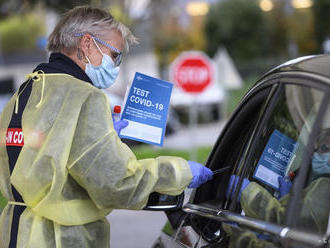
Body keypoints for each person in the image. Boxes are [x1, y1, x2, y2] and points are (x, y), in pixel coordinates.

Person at [0, 6, 213, 248]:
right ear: (88, 44)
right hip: (61, 239)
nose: (116, 65)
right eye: (115, 55)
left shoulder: (25, 92)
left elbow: (44, 157)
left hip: (15, 233)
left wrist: (101, 140)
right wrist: (180, 171)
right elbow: (116, 184)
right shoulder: (85, 97)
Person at [224, 128, 330, 248]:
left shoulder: (326, 187)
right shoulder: (315, 182)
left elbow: (290, 224)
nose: (316, 154)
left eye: (324, 149)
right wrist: (288, 199)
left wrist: (248, 192)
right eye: (315, 150)